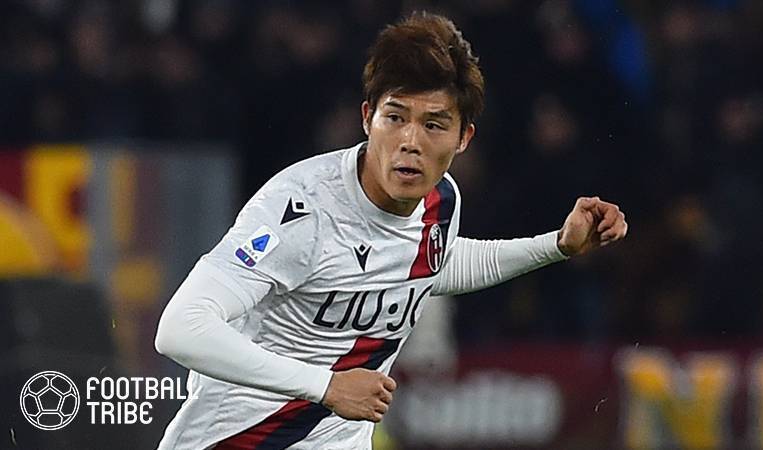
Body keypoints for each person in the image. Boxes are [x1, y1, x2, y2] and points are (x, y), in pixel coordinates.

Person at [154, 11, 627, 450]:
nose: (410, 142)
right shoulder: (302, 209)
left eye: (434, 125)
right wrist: (326, 386)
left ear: (463, 138)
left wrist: (557, 245)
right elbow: (180, 329)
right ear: (367, 119)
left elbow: (432, 264)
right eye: (395, 117)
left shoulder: (441, 201)